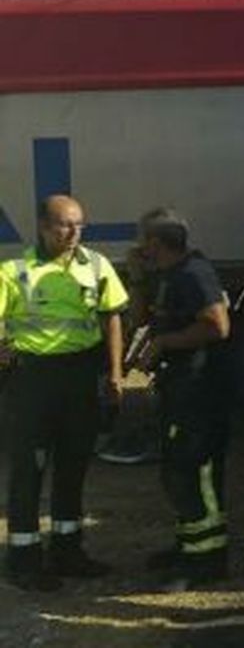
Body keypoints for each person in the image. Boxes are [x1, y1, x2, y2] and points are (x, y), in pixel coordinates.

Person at [0, 195, 128, 591]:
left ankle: (68, 551)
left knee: (73, 465)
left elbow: (112, 318)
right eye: (64, 224)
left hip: (80, 376)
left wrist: (116, 373)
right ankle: (23, 559)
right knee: (30, 469)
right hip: (32, 379)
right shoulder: (13, 271)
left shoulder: (96, 265)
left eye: (79, 224)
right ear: (43, 226)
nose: (73, 232)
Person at [129, 208, 233, 591]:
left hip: (199, 392)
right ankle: (189, 545)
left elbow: (218, 325)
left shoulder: (194, 273)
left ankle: (206, 561)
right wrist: (137, 278)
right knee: (176, 471)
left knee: (195, 473)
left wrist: (164, 343)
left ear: (154, 242)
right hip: (178, 389)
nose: (139, 247)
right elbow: (138, 319)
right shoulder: (165, 275)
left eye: (142, 240)